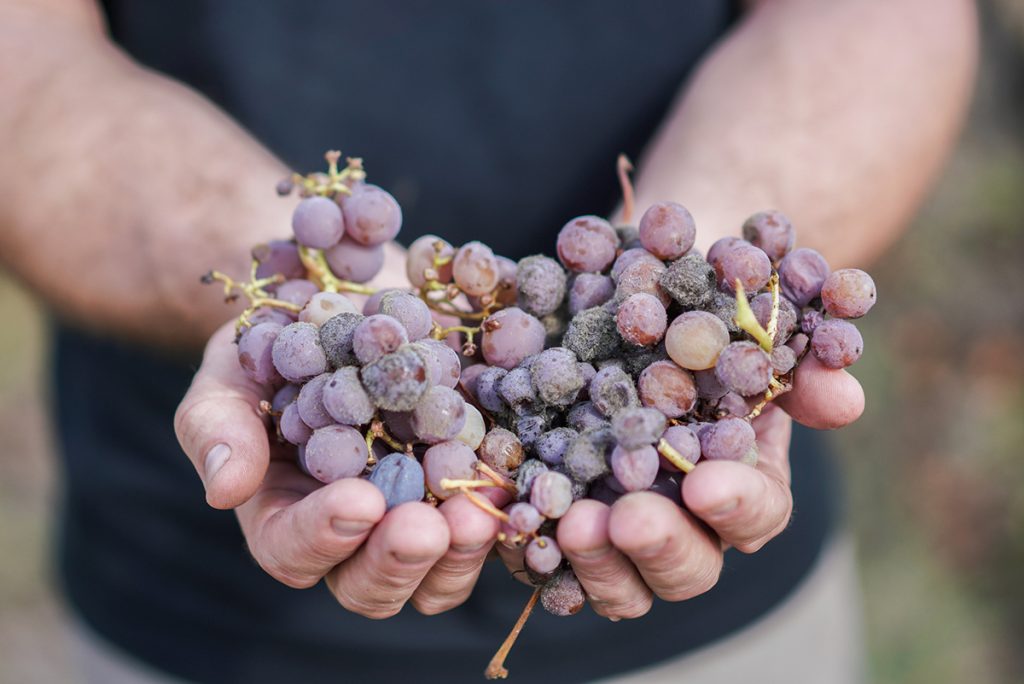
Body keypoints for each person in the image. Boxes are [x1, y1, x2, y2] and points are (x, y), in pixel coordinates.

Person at [0, 0, 976, 682]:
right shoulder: (347, 351)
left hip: (723, 629)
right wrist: (291, 285)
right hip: (198, 614)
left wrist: (704, 279)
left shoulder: (670, 351)